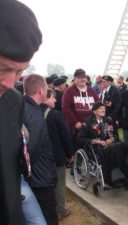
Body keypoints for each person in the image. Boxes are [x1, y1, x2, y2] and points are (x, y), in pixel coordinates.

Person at [0, 1, 42, 224]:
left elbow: (10, 176)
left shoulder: (14, 102)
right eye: (2, 69)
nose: (10, 82)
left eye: (19, 72)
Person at [23, 74, 58, 225]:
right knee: (48, 217)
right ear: (41, 91)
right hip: (40, 179)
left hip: (33, 177)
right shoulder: (36, 116)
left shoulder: (23, 107)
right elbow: (31, 153)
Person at [77, 102, 128, 187]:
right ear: (94, 111)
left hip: (110, 146)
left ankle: (123, 176)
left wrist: (112, 139)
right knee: (116, 148)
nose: (103, 110)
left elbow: (116, 135)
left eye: (104, 108)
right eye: (101, 108)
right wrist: (97, 141)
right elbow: (80, 138)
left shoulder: (108, 121)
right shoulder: (87, 121)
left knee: (121, 146)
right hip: (96, 148)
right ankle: (112, 178)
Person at [40, 89, 74, 221]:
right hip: (57, 156)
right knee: (59, 183)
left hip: (41, 157)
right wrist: (70, 153)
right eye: (53, 97)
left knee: (47, 183)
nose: (55, 100)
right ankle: (60, 210)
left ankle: (48, 207)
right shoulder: (56, 115)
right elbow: (65, 136)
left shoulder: (34, 112)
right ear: (46, 98)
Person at [62, 68, 99, 136]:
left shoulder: (91, 90)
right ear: (75, 79)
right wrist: (75, 122)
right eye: (80, 77)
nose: (83, 79)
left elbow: (98, 105)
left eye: (84, 77)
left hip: (92, 126)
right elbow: (65, 108)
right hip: (77, 127)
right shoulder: (69, 91)